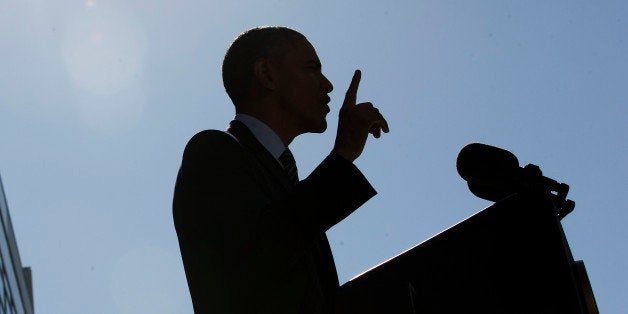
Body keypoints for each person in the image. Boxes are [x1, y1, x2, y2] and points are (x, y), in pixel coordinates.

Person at [173, 26, 389, 314]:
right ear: (267, 74)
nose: (328, 85)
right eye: (312, 69)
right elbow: (258, 260)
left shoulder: (286, 179)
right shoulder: (212, 150)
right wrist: (343, 154)